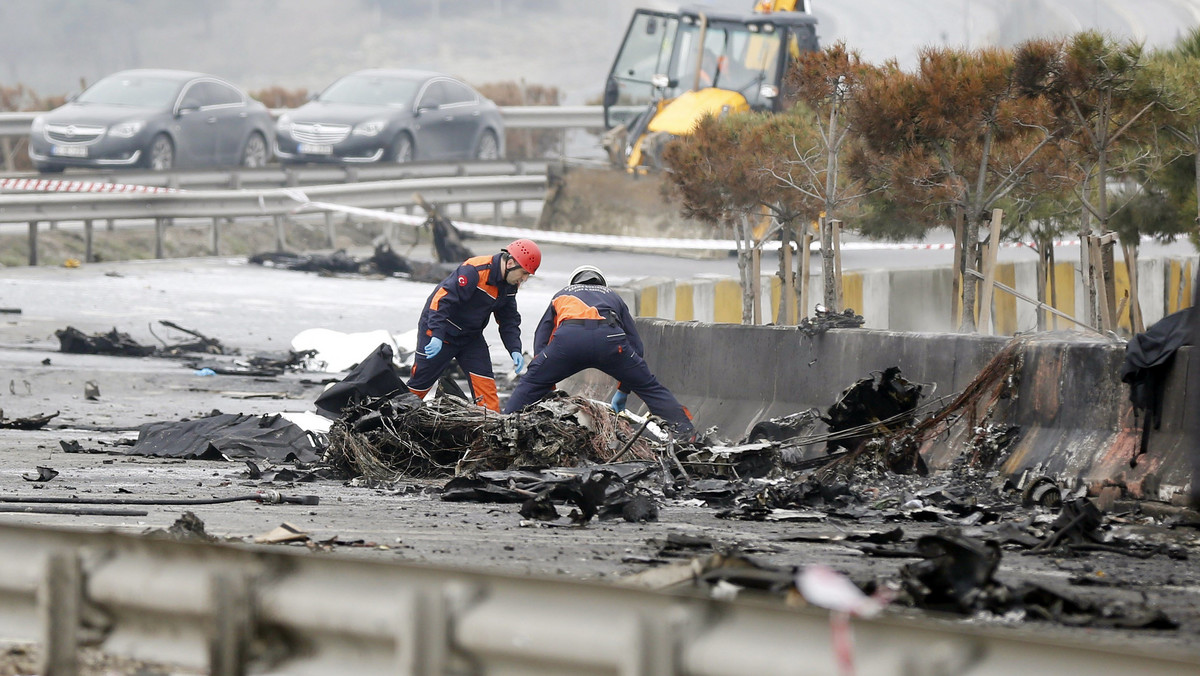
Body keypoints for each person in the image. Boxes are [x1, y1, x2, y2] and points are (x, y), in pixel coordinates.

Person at [502, 264, 696, 439]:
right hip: (611, 342)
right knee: (650, 387)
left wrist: (543, 374)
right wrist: (624, 389)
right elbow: (636, 345)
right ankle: (686, 432)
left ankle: (502, 426)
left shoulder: (562, 294)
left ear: (573, 282)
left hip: (570, 340)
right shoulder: (613, 296)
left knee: (531, 381)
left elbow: (542, 336)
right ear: (602, 283)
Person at [408, 239, 540, 412]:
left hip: (470, 337)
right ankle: (394, 420)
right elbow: (441, 302)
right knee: (418, 386)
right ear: (510, 263)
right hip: (439, 331)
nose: (523, 279)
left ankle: (492, 432)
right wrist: (437, 335)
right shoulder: (474, 271)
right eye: (523, 273)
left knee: (486, 391)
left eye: (528, 275)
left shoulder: (509, 285)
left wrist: (515, 348)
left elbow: (508, 319)